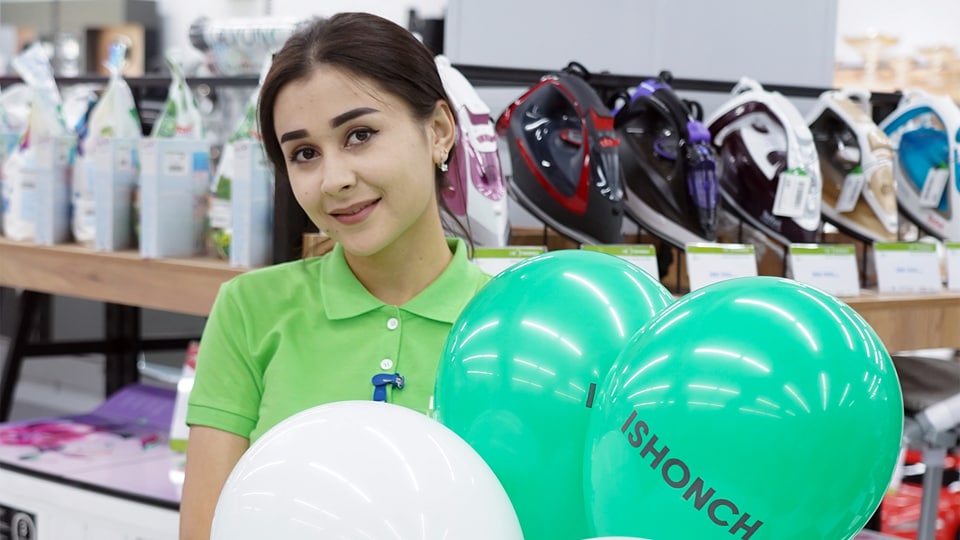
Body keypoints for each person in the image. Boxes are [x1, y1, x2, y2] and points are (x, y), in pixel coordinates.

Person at [178, 12, 490, 539]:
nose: (334, 180)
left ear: (438, 131)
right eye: (304, 154)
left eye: (360, 135)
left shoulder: (511, 327)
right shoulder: (249, 309)